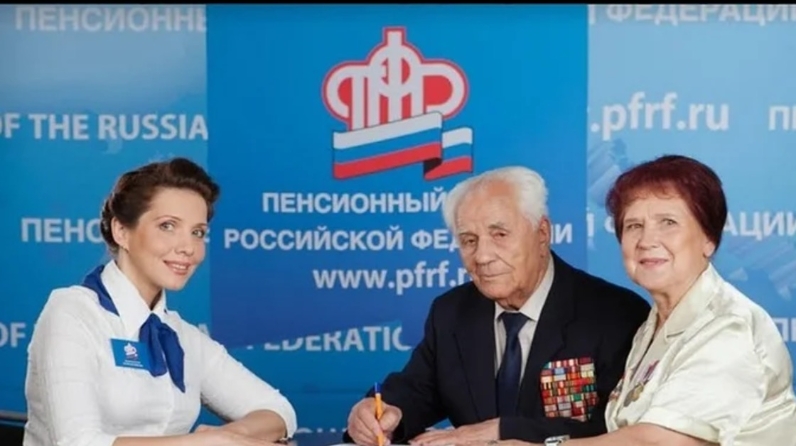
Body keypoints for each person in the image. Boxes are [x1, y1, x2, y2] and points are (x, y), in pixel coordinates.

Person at [493, 155, 796, 445]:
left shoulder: (729, 328)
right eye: (634, 226)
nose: (647, 240)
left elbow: (657, 441)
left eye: (668, 222)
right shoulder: (651, 328)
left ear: (709, 239)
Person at [343, 166, 651, 445]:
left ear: (542, 233)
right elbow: (417, 390)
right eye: (469, 240)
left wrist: (502, 430)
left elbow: (620, 430)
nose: (482, 256)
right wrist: (382, 413)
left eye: (499, 234)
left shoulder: (615, 315)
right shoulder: (451, 312)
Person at [23, 158, 297, 446]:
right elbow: (77, 442)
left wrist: (229, 437)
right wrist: (205, 444)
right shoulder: (72, 312)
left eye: (198, 232)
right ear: (121, 231)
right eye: (168, 226)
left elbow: (279, 410)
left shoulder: (180, 335)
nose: (188, 247)